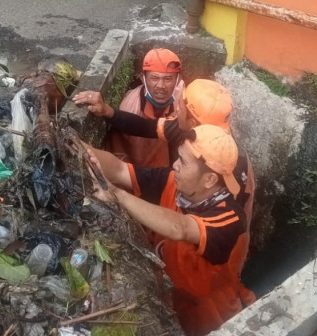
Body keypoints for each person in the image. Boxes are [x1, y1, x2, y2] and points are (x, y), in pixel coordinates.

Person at [84, 124, 256, 336]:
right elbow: (120, 170)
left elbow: (181, 228)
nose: (174, 165)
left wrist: (116, 195)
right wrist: (83, 150)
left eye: (183, 162)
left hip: (209, 314)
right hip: (172, 297)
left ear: (210, 179)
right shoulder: (174, 182)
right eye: (177, 157)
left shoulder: (229, 216)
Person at [73, 79, 255, 226]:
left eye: (181, 105)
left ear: (193, 122)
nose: (176, 108)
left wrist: (119, 196)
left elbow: (188, 229)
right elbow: (146, 127)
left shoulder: (225, 170)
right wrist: (108, 111)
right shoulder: (194, 131)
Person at [105, 48, 185, 167]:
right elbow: (120, 154)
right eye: (154, 78)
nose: (161, 86)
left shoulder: (183, 100)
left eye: (168, 79)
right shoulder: (130, 107)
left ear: (177, 80)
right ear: (143, 78)